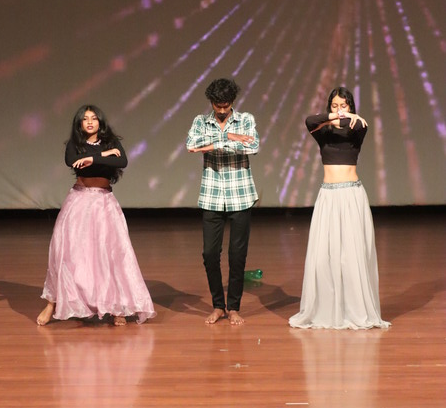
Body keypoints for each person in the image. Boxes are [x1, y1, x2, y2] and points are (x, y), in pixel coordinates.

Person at [37, 105, 156, 326]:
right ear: (80, 124)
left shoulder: (111, 142)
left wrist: (94, 158)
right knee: (64, 252)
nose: (90, 122)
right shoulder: (75, 144)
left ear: (100, 121)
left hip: (104, 203)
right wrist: (103, 155)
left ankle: (117, 307)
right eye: (85, 119)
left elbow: (122, 161)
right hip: (78, 200)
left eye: (94, 118)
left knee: (112, 254)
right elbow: (71, 160)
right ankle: (52, 303)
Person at [289, 87, 390, 330]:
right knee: (324, 256)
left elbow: (361, 125)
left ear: (351, 107)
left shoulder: (357, 128)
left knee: (351, 256)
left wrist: (350, 117)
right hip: (328, 196)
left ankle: (355, 309)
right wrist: (332, 117)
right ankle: (328, 309)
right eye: (334, 105)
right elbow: (310, 120)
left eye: (343, 105)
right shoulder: (323, 132)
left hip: (351, 195)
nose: (339, 110)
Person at [186, 78, 259, 325]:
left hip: (241, 195)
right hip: (212, 195)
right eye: (218, 105)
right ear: (211, 102)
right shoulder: (200, 121)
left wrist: (212, 144)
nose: (222, 109)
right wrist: (230, 137)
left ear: (232, 101)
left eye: (226, 105)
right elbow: (191, 145)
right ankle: (218, 305)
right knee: (209, 254)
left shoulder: (246, 119)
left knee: (237, 255)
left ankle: (234, 307)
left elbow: (253, 146)